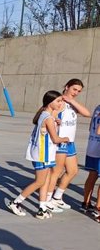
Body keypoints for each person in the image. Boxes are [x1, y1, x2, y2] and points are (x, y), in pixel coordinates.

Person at [6, 90, 69, 219]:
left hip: (44, 153)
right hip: (42, 154)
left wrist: (55, 121)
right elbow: (56, 139)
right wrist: (66, 138)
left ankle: (42, 208)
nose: (60, 103)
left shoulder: (45, 115)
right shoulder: (48, 118)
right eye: (58, 101)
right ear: (50, 102)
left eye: (61, 100)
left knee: (44, 181)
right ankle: (15, 202)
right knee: (39, 182)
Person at [46, 79, 91, 211]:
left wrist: (72, 101)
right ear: (67, 87)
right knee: (56, 172)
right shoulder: (59, 102)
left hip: (70, 142)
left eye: (78, 91)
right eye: (74, 89)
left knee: (73, 171)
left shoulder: (71, 103)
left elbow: (87, 113)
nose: (76, 92)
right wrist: (55, 121)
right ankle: (48, 200)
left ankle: (57, 197)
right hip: (60, 142)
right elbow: (49, 116)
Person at [81, 104, 100, 220]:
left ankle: (86, 203)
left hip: (93, 146)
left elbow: (91, 128)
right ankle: (98, 208)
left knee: (92, 175)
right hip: (98, 148)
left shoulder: (98, 107)